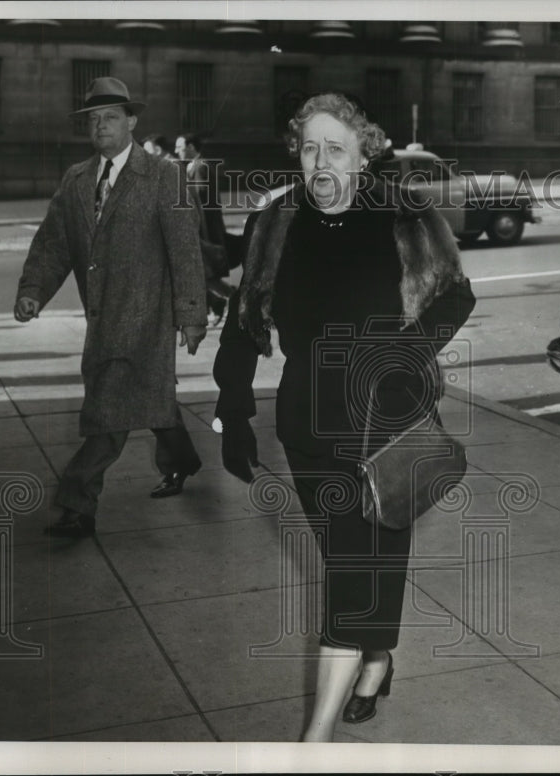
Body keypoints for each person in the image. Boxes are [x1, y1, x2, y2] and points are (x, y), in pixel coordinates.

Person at [213, 92, 475, 741]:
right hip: (310, 424)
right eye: (309, 147)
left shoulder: (403, 214)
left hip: (390, 421)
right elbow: (244, 322)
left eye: (336, 147)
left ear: (363, 156)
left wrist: (400, 358)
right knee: (350, 560)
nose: (320, 160)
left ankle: (317, 737)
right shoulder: (274, 224)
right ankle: (376, 653)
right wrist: (234, 406)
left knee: (373, 557)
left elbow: (456, 296)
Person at [14, 77, 208, 539]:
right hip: (101, 320)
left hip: (147, 320)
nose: (100, 126)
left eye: (110, 117)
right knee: (150, 402)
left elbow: (185, 251)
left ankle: (77, 505)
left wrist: (192, 315)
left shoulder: (164, 176)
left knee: (107, 415)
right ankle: (183, 460)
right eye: (93, 120)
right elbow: (53, 244)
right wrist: (33, 291)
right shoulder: (77, 179)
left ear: (132, 122)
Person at [177, 132, 231, 326]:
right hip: (204, 226)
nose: (177, 151)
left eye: (180, 146)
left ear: (191, 147)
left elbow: (199, 195)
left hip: (205, 228)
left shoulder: (200, 166)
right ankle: (216, 306)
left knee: (206, 272)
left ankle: (226, 301)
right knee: (204, 272)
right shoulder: (196, 166)